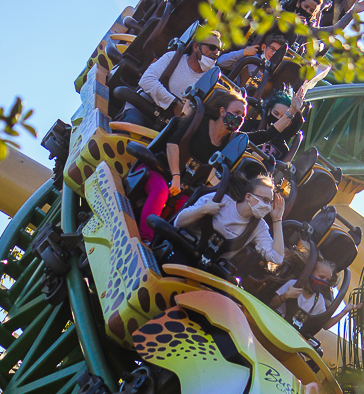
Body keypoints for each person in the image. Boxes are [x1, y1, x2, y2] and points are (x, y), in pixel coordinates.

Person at [137, 89, 248, 242]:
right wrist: (175, 176)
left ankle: (160, 246)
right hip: (159, 169)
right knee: (161, 191)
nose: (239, 118)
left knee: (187, 209)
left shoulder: (228, 144)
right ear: (222, 111)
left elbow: (264, 135)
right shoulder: (199, 120)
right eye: (236, 112)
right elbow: (172, 144)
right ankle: (145, 240)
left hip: (185, 185)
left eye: (242, 116)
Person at [174, 169, 286, 265]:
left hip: (208, 268)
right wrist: (203, 210)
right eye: (265, 200)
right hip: (183, 250)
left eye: (270, 202)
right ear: (248, 196)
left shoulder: (258, 226)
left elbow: (277, 258)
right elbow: (178, 222)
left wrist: (277, 219)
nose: (267, 206)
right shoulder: (220, 200)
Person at [121, 32, 222, 127]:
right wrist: (174, 103)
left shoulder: (208, 82)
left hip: (168, 125)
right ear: (196, 47)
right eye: (212, 47)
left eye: (219, 50)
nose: (216, 53)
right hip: (142, 108)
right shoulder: (173, 57)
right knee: (133, 123)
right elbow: (146, 80)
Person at [270, 246, 361, 328]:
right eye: (321, 277)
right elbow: (272, 304)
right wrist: (285, 296)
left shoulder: (318, 300)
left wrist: (344, 312)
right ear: (310, 272)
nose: (323, 282)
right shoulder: (293, 285)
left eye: (326, 280)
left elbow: (325, 325)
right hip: (275, 323)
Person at [242, 87, 305, 161]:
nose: (278, 119)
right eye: (276, 113)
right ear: (269, 111)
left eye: (282, 117)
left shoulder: (282, 149)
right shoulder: (249, 126)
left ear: (288, 123)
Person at [218, 32, 286, 86]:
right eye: (272, 49)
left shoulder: (275, 72)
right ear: (263, 47)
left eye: (277, 52)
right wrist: (243, 52)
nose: (274, 53)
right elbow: (221, 62)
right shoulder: (250, 58)